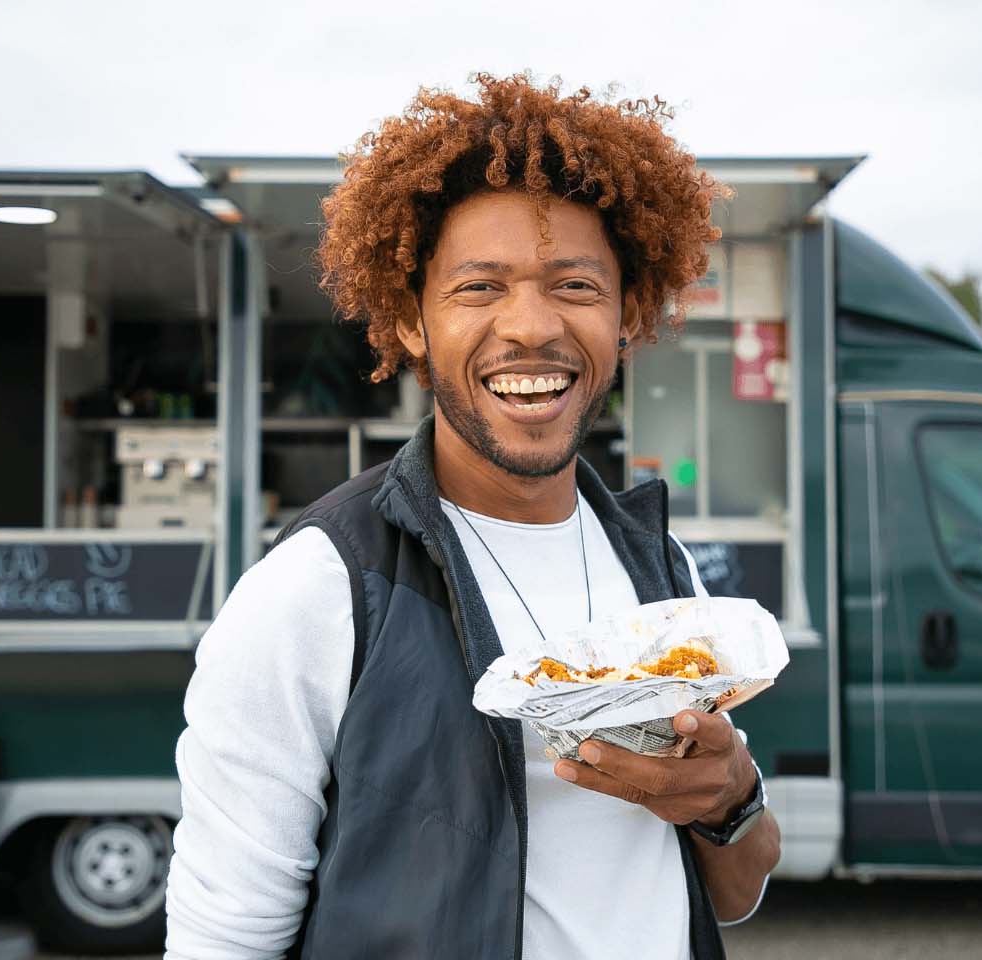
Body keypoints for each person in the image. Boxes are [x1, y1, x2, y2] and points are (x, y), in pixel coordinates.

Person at [164, 73, 781, 960]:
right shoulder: (321, 587)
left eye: (574, 284)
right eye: (479, 287)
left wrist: (730, 797)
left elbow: (734, 894)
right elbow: (223, 937)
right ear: (411, 320)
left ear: (628, 313)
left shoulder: (662, 569)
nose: (529, 327)